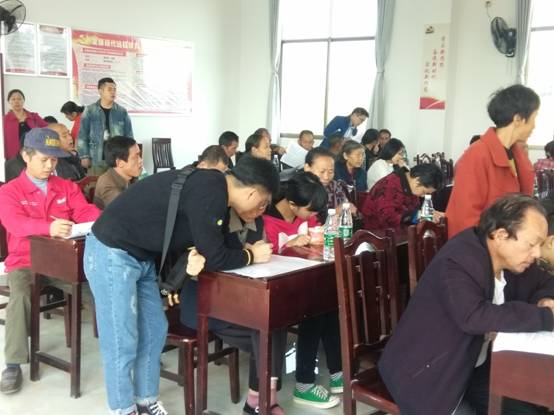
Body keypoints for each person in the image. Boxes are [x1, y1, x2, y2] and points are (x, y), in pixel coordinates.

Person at [84, 156, 280, 415]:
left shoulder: (214, 189)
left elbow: (208, 245)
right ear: (252, 192)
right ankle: (123, 409)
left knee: (154, 329)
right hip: (112, 252)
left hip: (141, 257)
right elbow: (216, 256)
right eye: (262, 202)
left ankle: (146, 401)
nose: (260, 208)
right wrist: (251, 255)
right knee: (122, 338)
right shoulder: (212, 191)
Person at [378, 194, 554, 415]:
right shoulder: (459, 259)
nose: (537, 254)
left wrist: (544, 300)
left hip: (474, 366)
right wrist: (545, 316)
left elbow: (547, 281)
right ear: (501, 235)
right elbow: (473, 316)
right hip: (430, 373)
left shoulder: (511, 260)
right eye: (531, 244)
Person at [0, 127, 100, 395]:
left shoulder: (66, 186)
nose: (50, 166)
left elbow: (84, 211)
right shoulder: (10, 191)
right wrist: (49, 227)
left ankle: (125, 348)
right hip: (26, 260)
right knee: (20, 297)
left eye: (54, 160)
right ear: (26, 156)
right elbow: (15, 223)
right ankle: (13, 364)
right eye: (44, 159)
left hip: (61, 261)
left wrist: (102, 221)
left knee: (101, 289)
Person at [262, 171, 342, 409]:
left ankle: (337, 371)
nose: (314, 216)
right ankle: (304, 384)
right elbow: (263, 257)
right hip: (277, 288)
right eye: (311, 211)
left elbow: (316, 238)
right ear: (292, 204)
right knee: (314, 309)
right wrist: (288, 244)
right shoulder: (266, 220)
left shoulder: (305, 217)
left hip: (305, 280)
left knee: (330, 304)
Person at [446, 84, 539, 238]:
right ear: (518, 119)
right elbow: (465, 218)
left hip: (508, 238)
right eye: (534, 118)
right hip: (480, 245)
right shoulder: (477, 155)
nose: (534, 126)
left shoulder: (517, 155)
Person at [361, 164, 444, 230]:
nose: (423, 196)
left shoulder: (409, 183)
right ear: (417, 181)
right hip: (379, 234)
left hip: (402, 230)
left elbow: (413, 210)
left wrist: (428, 214)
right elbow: (388, 218)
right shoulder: (389, 186)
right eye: (424, 192)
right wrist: (418, 215)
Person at [77, 77, 134, 174]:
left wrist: (129, 155)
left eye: (114, 89)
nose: (113, 92)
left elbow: (129, 136)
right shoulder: (90, 111)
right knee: (96, 183)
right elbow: (82, 135)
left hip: (118, 159)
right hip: (96, 159)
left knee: (118, 183)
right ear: (100, 91)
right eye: (109, 89)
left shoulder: (122, 112)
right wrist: (84, 156)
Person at [303, 147, 358, 219]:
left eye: (331, 171)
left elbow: (345, 206)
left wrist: (349, 209)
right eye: (322, 171)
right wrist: (335, 212)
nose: (326, 177)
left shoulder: (335, 186)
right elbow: (310, 220)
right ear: (307, 168)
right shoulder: (299, 189)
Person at [94, 136, 142, 209]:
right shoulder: (107, 184)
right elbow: (129, 209)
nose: (140, 160)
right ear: (120, 163)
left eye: (139, 155)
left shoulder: (131, 176)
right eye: (135, 157)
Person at [3, 89, 48, 160]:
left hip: (34, 156)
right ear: (9, 101)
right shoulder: (4, 120)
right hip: (14, 158)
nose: (16, 101)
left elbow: (48, 129)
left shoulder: (34, 116)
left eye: (19, 99)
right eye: (13, 99)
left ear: (23, 101)